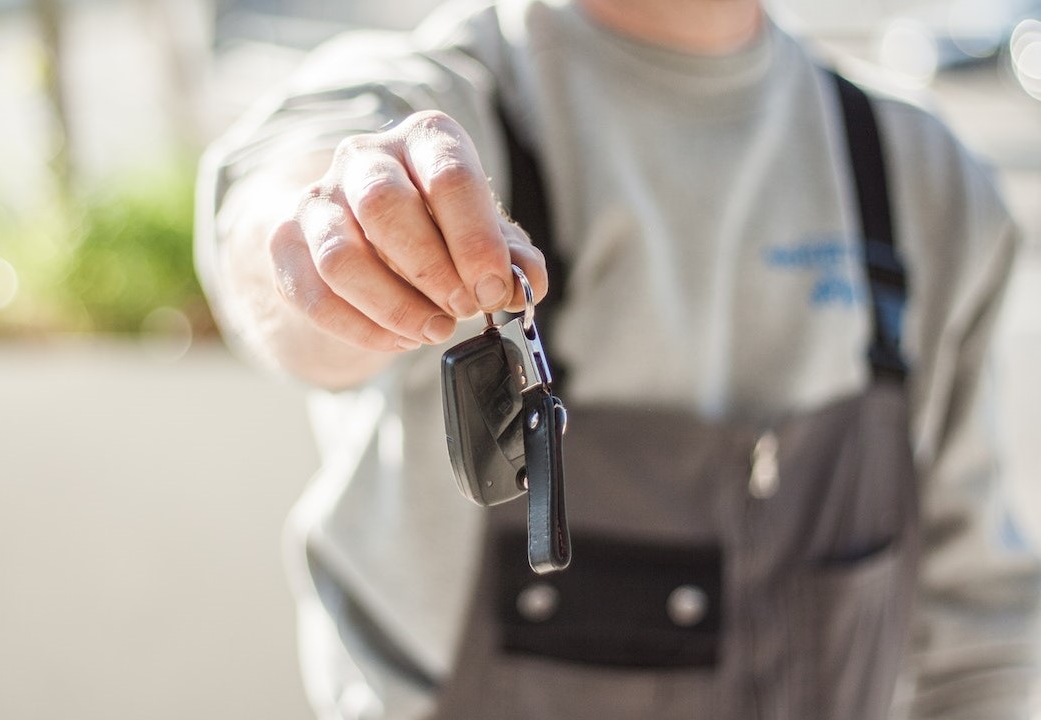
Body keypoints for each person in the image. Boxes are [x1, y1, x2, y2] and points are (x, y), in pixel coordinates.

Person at [194, 0, 1041, 717]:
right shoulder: (443, 98)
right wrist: (343, 239)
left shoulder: (924, 178)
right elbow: (278, 227)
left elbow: (977, 630)